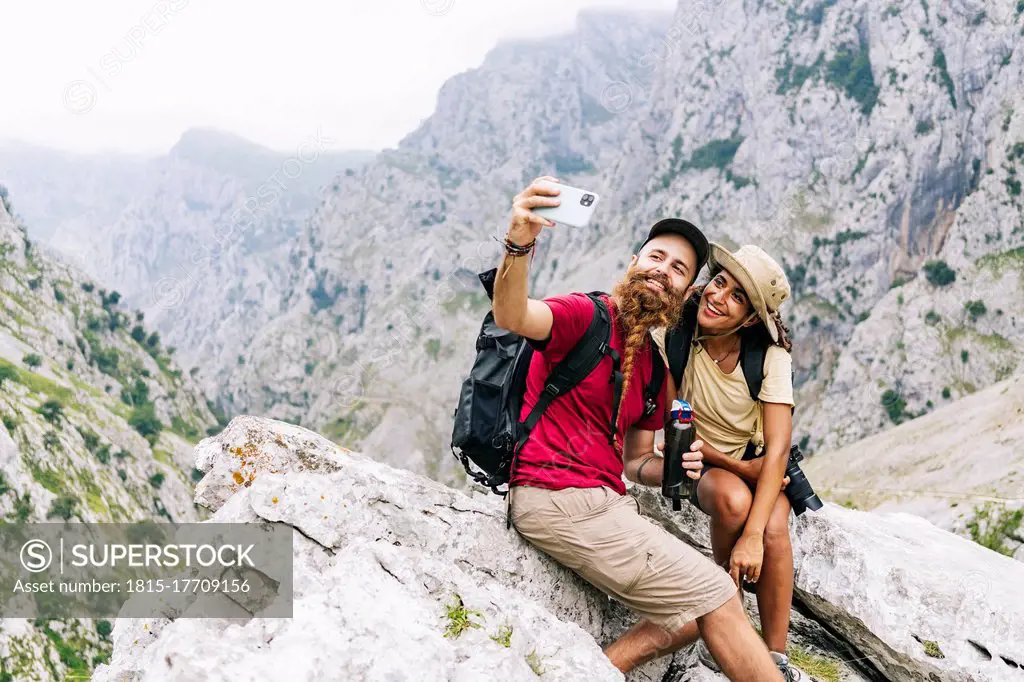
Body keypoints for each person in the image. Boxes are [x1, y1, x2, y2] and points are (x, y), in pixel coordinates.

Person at [494, 176, 783, 680]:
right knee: (717, 593)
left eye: (678, 269)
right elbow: (513, 314)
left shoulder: (652, 364)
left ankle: (602, 667)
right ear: (633, 263)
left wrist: (680, 467)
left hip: (603, 503)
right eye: (655, 258)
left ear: (684, 291)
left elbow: (635, 462)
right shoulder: (585, 315)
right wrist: (520, 240)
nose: (662, 271)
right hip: (555, 494)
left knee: (705, 600)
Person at [652, 243, 803, 681]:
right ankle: (727, 626)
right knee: (734, 500)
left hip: (758, 461)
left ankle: (775, 656)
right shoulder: (677, 334)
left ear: (752, 318)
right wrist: (730, 463)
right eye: (720, 282)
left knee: (773, 529)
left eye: (738, 297)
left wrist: (752, 539)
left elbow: (776, 450)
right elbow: (673, 420)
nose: (719, 297)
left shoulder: (769, 358)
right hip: (700, 461)